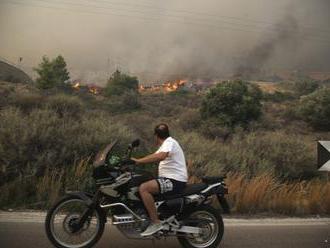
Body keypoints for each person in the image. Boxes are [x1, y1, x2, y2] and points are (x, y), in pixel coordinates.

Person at [131, 123, 188, 236]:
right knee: (141, 181)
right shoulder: (167, 144)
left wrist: (138, 161)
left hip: (175, 181)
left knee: (144, 188)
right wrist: (135, 163)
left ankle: (155, 222)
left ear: (156, 136)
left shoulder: (169, 143)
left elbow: (160, 156)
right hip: (171, 179)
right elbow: (153, 156)